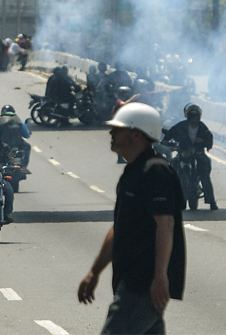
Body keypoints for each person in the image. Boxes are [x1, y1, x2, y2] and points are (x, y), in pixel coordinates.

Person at [78, 102, 186, 335]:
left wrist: (160, 276)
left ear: (136, 135)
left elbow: (165, 225)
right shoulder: (132, 172)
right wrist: (94, 272)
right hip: (129, 280)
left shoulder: (156, 170)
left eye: (118, 129)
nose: (111, 133)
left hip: (144, 284)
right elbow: (119, 228)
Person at [162, 104, 218, 210]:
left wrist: (204, 142)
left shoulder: (202, 127)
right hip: (183, 151)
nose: (194, 118)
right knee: (171, 166)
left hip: (197, 152)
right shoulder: (181, 126)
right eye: (192, 116)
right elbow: (170, 133)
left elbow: (209, 138)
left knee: (205, 174)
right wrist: (165, 140)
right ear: (188, 116)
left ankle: (212, 202)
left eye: (196, 116)